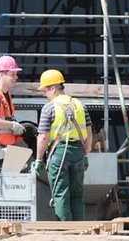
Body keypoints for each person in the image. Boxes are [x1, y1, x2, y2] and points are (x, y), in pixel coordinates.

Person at [33, 69, 93, 221]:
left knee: (61, 194)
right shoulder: (80, 105)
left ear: (53, 88)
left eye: (45, 90)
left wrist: (39, 160)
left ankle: (64, 229)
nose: (44, 94)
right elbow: (89, 134)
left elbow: (43, 137)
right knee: (77, 195)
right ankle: (80, 230)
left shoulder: (49, 108)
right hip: (78, 152)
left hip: (59, 154)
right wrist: (86, 155)